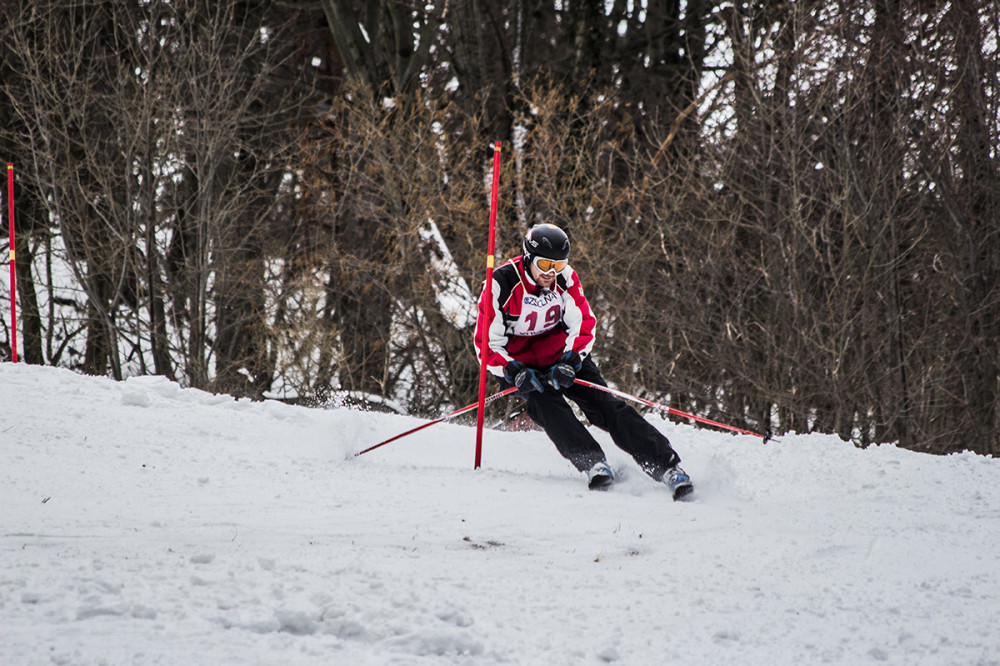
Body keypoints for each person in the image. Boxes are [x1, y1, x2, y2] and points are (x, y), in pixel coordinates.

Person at [474, 223, 694, 499]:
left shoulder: (565, 278)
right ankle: (593, 463)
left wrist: (571, 359)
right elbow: (486, 344)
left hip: (561, 357)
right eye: (543, 264)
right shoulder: (501, 283)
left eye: (558, 264)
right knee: (547, 406)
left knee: (606, 406)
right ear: (528, 257)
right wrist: (512, 371)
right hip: (521, 366)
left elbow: (584, 323)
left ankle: (666, 467)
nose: (550, 273)